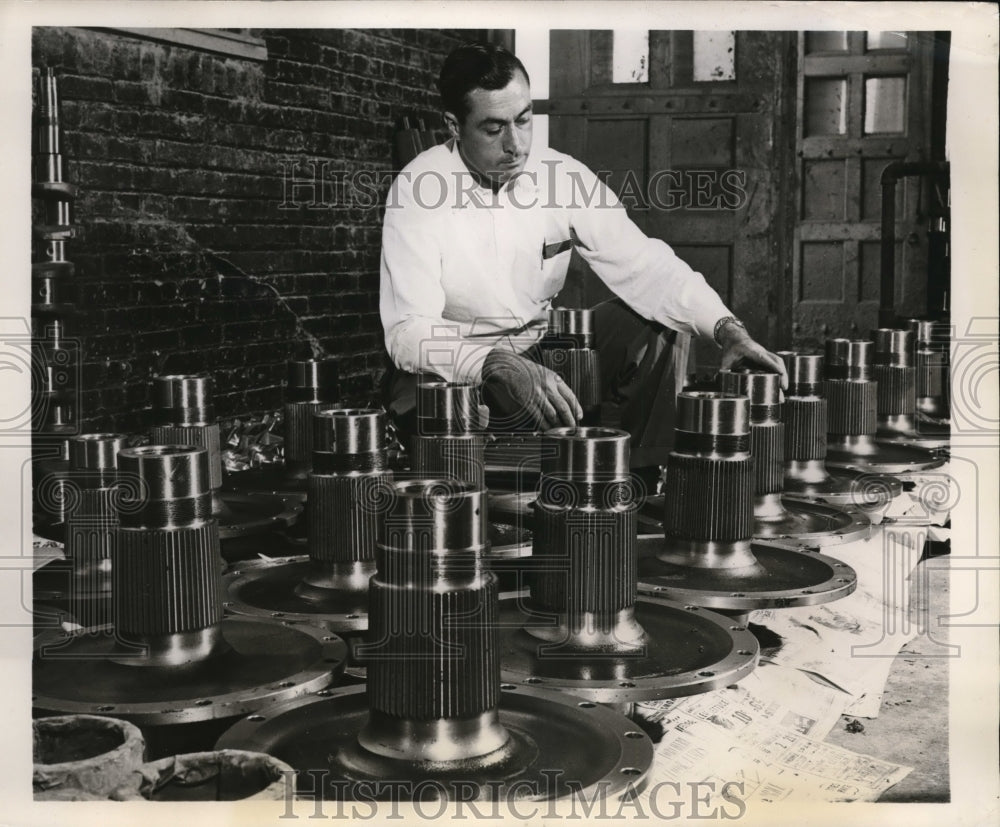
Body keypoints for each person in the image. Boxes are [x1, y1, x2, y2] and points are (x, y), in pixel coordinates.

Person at [379, 41, 786, 452]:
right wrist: (490, 363)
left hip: (543, 360)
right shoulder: (417, 190)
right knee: (426, 408)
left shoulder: (561, 176)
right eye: (494, 128)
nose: (516, 144)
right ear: (453, 125)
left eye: (523, 120)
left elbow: (645, 264)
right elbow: (407, 330)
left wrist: (727, 329)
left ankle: (635, 480)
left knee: (662, 319)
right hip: (459, 371)